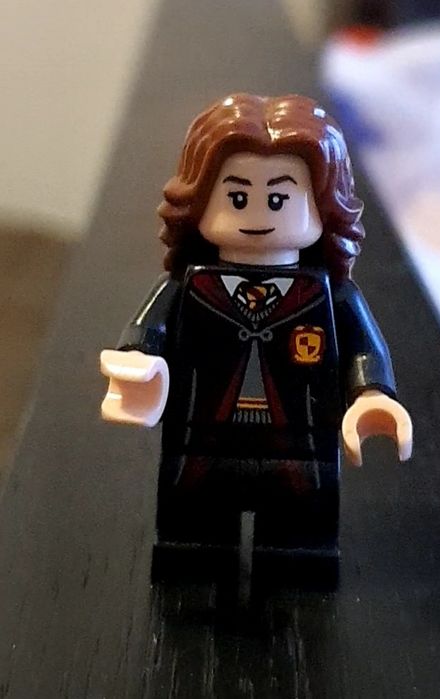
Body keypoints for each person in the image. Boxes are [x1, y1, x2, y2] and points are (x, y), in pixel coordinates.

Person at [100, 93, 412, 572]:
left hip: (300, 441)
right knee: (193, 545)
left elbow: (363, 347)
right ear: (199, 198)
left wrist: (371, 394)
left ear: (323, 205)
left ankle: (293, 564)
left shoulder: (329, 294)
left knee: (297, 547)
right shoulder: (189, 286)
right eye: (238, 197)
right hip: (201, 437)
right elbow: (148, 329)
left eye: (279, 199)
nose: (259, 215)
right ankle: (195, 560)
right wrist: (139, 362)